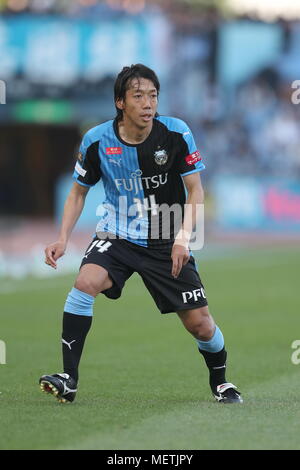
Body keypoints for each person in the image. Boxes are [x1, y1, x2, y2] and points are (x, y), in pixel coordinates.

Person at [40, 64, 242, 404]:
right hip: (116, 234)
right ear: (121, 102)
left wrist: (182, 239)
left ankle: (220, 382)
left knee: (201, 326)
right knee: (85, 282)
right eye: (138, 96)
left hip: (165, 237)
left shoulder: (175, 133)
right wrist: (62, 238)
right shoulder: (97, 140)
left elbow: (196, 192)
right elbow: (78, 192)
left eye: (153, 95)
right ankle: (68, 378)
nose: (148, 103)